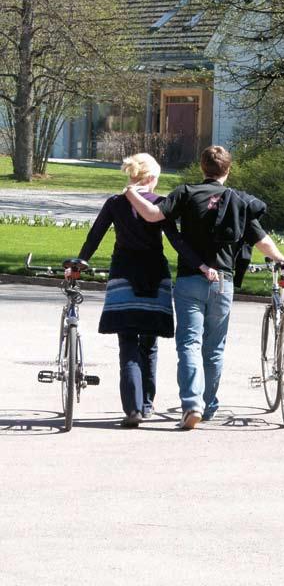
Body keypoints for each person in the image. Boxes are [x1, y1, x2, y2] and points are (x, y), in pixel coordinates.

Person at [125, 145, 284, 430]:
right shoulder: (237, 201)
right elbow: (260, 239)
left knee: (189, 344)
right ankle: (209, 404)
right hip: (222, 283)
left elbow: (153, 215)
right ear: (228, 169)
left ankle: (192, 405)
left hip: (190, 279)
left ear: (202, 168)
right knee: (214, 349)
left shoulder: (186, 193)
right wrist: (280, 258)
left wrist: (130, 192)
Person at [71, 153, 217, 428]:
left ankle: (133, 409)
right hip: (154, 276)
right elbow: (177, 240)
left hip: (123, 274)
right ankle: (147, 404)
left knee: (127, 344)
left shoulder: (115, 203)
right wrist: (201, 265)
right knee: (148, 345)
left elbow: (95, 235)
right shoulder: (159, 204)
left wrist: (80, 263)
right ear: (150, 178)